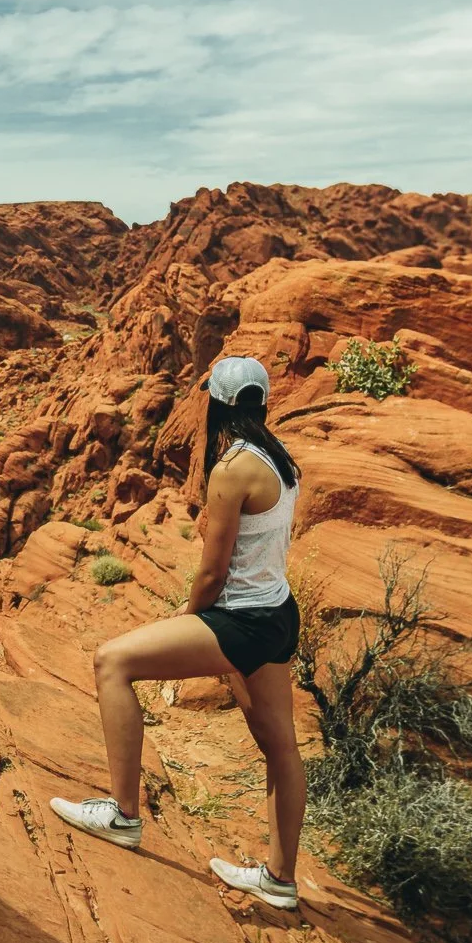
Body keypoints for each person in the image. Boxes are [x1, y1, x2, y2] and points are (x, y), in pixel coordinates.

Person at [49, 355, 308, 910]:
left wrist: (190, 619)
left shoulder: (232, 467)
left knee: (112, 662)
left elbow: (213, 572)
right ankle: (280, 880)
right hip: (278, 614)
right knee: (280, 746)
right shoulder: (281, 460)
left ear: (215, 405)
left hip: (240, 620)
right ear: (262, 403)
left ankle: (121, 815)